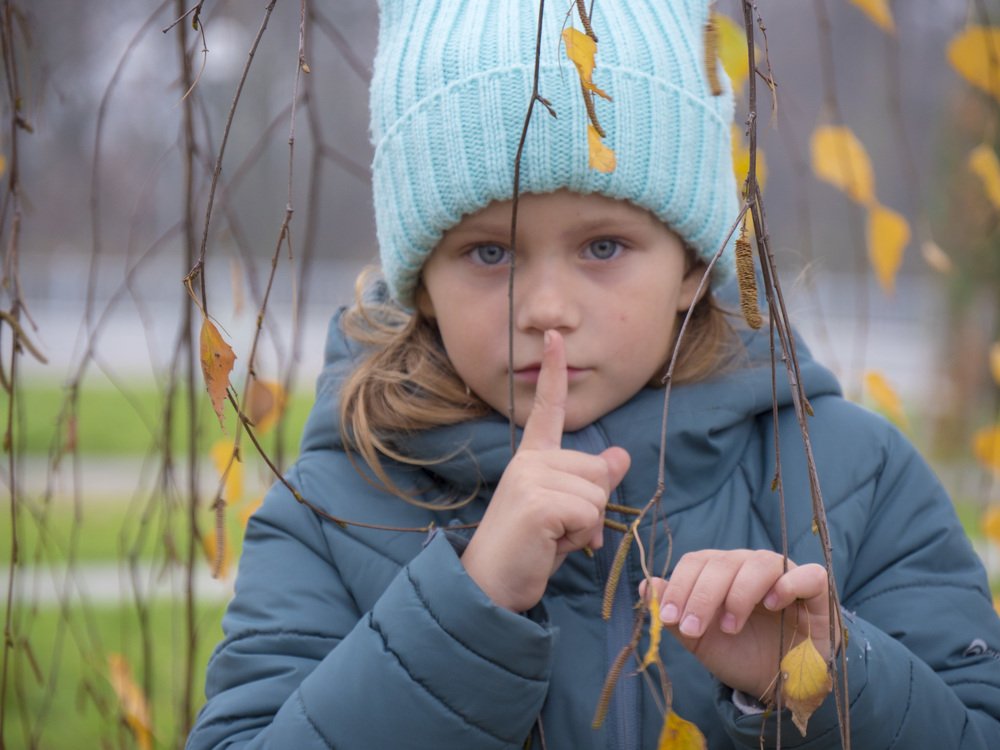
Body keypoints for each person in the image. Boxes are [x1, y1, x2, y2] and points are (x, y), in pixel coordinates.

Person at [187, 0, 1000, 747]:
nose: (546, 307)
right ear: (421, 283)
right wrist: (466, 610)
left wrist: (821, 679)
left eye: (602, 247)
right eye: (489, 252)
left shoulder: (854, 478)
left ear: (690, 267)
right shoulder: (335, 508)